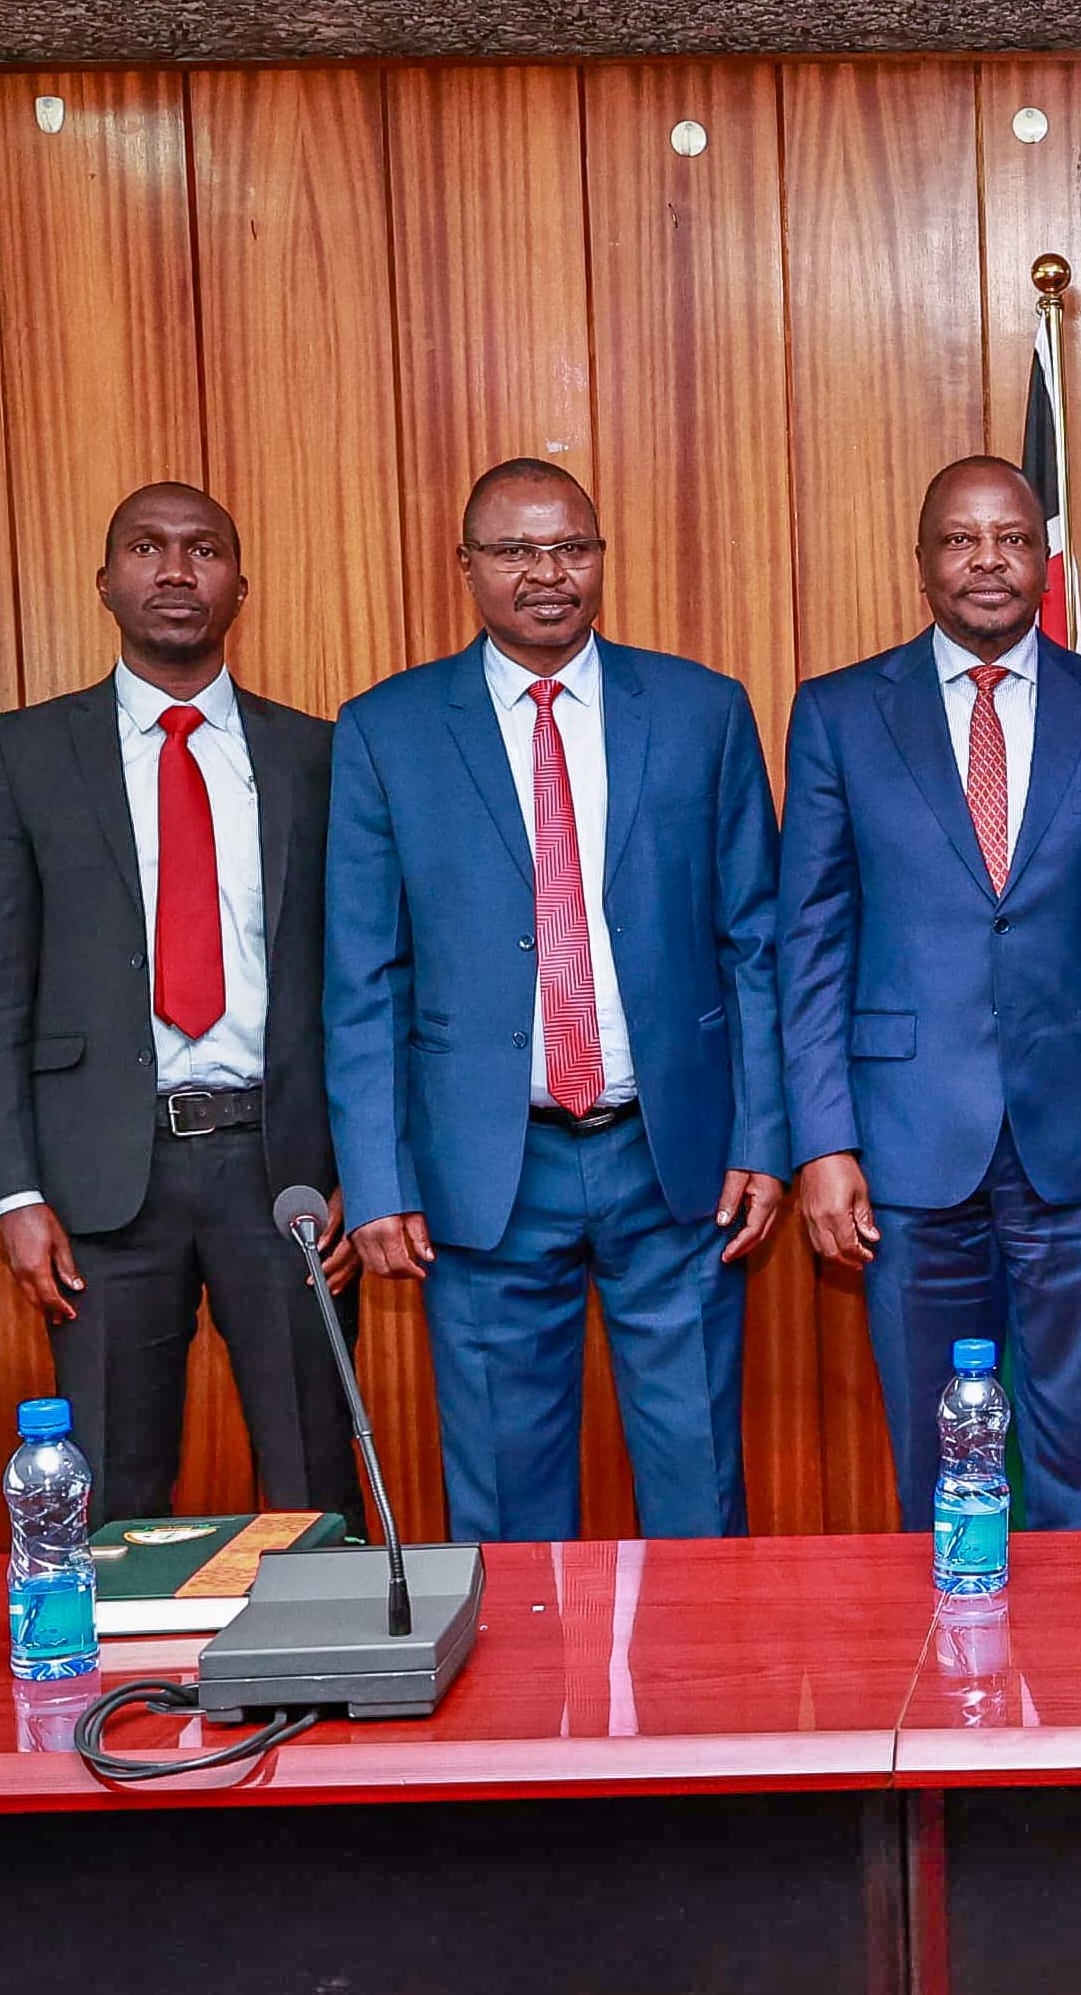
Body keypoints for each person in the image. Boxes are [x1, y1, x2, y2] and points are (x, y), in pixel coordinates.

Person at [322, 458, 786, 1542]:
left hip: (673, 1161)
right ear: (467, 566)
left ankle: (699, 1663)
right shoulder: (388, 730)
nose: (547, 574)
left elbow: (754, 943)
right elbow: (364, 976)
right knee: (503, 1502)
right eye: (516, 551)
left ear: (601, 559)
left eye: (572, 548)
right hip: (485, 1169)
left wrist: (764, 1139)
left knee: (700, 1484)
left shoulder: (702, 711)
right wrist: (378, 1178)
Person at [783, 456, 1081, 1532]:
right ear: (921, 562)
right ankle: (953, 1630)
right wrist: (822, 1143)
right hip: (905, 1145)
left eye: (1011, 539)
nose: (987, 561)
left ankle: (1080, 1642)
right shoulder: (837, 714)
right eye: (960, 539)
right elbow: (813, 940)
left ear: (1044, 562)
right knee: (934, 1455)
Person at [0, 482, 361, 1526]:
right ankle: (114, 1644)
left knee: (315, 1480)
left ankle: (327, 1636)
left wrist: (363, 1171)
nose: (176, 570)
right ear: (105, 582)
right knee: (111, 1495)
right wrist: (11, 1193)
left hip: (286, 1174)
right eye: (147, 547)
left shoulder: (317, 756)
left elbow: (366, 978)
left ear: (240, 587)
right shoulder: (21, 755)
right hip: (98, 1185)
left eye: (203, 550)